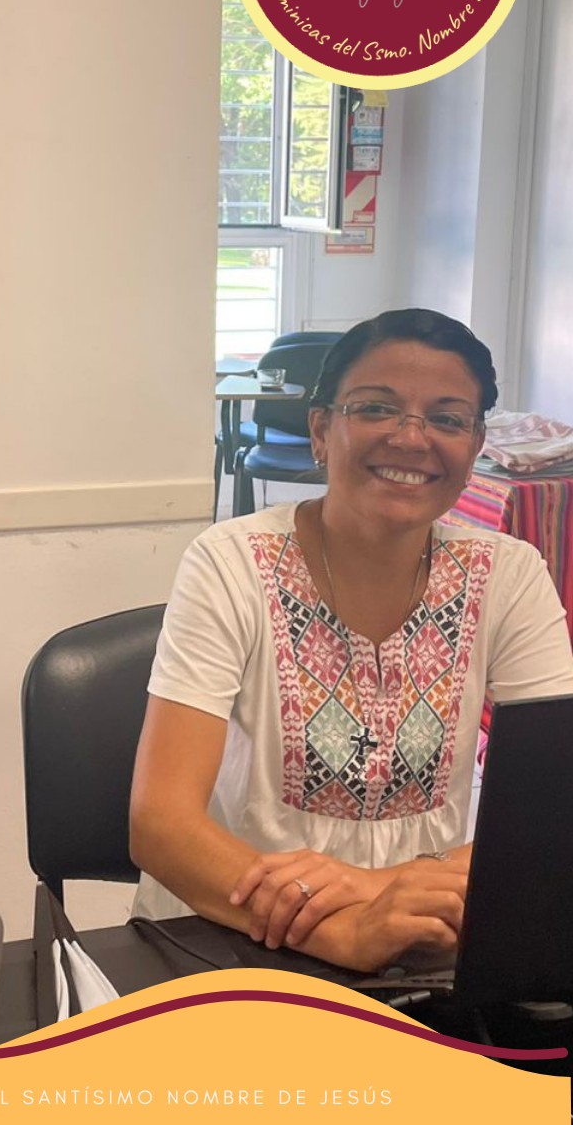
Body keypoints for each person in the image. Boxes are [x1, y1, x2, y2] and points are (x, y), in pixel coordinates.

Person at [130, 309, 573, 973]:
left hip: (424, 939)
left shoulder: (510, 575)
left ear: (476, 447)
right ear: (320, 430)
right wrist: (339, 933)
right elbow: (160, 822)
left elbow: (551, 813)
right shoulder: (230, 563)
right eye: (376, 408)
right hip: (232, 932)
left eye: (447, 419)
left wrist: (376, 890)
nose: (411, 438)